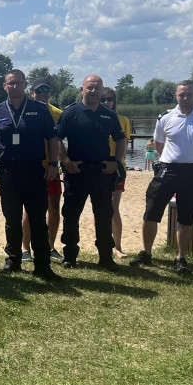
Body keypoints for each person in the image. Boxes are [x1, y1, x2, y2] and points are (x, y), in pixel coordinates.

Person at [130, 80, 193, 273]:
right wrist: (170, 159)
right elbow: (158, 144)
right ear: (176, 96)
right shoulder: (165, 117)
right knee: (151, 212)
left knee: (187, 217)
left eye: (189, 94)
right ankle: (146, 252)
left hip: (192, 173)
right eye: (182, 94)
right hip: (167, 170)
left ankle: (180, 258)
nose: (186, 98)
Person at [0, 69, 60, 278]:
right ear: (4, 86)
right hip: (8, 172)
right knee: (12, 219)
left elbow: (53, 138)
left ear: (25, 85)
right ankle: (13, 261)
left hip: (35, 171)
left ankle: (43, 265)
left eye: (18, 83)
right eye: (11, 83)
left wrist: (53, 163)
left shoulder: (39, 110)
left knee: (37, 219)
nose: (15, 86)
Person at [55, 75, 126, 269]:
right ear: (82, 89)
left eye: (98, 88)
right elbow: (57, 138)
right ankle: (69, 256)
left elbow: (121, 139)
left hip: (102, 173)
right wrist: (65, 161)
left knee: (104, 215)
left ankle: (106, 257)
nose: (94, 91)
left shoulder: (109, 114)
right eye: (90, 87)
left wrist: (116, 163)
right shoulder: (70, 113)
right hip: (76, 172)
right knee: (70, 215)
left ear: (102, 90)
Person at [22, 81, 64, 262]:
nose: (43, 93)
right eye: (39, 90)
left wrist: (61, 163)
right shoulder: (26, 109)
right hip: (33, 167)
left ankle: (50, 246)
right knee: (29, 211)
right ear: (32, 93)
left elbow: (60, 141)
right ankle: (26, 249)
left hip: (53, 167)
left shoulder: (58, 113)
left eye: (47, 90)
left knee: (54, 209)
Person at [101, 87, 132, 258]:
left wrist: (116, 163)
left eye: (110, 99)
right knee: (101, 207)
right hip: (98, 166)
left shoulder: (123, 120)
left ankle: (117, 246)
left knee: (113, 208)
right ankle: (103, 242)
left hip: (117, 167)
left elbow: (124, 145)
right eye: (103, 99)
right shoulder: (95, 118)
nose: (107, 102)